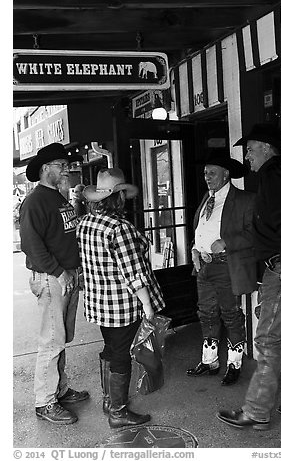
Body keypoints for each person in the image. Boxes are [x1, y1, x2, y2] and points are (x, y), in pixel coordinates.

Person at [217, 123, 281, 430]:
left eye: (249, 149)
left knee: (268, 338)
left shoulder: (274, 176)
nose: (247, 156)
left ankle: (256, 411)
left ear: (267, 149)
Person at [77, 168, 165, 429]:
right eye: (123, 193)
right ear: (118, 197)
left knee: (110, 349)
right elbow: (134, 274)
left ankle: (108, 400)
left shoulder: (85, 224)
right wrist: (148, 307)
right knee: (121, 356)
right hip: (122, 306)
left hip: (100, 303)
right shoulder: (119, 228)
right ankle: (118, 411)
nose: (125, 198)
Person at [19, 143, 90, 425]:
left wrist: (73, 270)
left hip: (65, 275)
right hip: (51, 278)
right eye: (61, 165)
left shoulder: (57, 198)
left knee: (61, 338)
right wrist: (58, 272)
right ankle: (45, 402)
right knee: (50, 341)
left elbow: (65, 236)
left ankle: (58, 389)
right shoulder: (35, 201)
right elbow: (30, 244)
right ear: (46, 169)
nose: (66, 170)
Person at [187, 149, 257, 385]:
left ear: (226, 174)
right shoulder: (207, 199)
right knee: (206, 313)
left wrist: (227, 242)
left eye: (212, 173)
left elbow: (254, 234)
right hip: (203, 267)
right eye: (205, 173)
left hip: (227, 266)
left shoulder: (246, 200)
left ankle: (234, 364)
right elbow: (201, 230)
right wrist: (194, 249)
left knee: (230, 315)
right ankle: (210, 361)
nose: (207, 177)